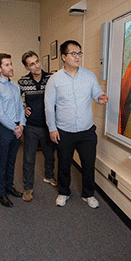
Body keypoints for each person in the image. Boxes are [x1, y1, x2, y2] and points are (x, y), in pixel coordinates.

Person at [44, 40, 109, 208]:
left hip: (86, 131)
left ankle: (88, 194)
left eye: (79, 53)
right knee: (64, 165)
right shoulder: (55, 80)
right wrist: (52, 128)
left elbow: (97, 93)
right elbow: (49, 106)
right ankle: (64, 192)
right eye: (73, 53)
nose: (77, 56)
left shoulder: (89, 76)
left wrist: (100, 97)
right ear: (64, 57)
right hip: (64, 131)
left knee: (88, 164)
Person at [18, 51, 56, 202]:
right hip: (31, 127)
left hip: (48, 125)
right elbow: (15, 99)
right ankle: (28, 188)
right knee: (28, 158)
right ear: (27, 68)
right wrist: (23, 106)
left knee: (50, 155)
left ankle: (49, 176)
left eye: (37, 61)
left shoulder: (51, 78)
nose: (36, 66)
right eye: (32, 64)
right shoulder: (23, 82)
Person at [0, 53, 26, 207]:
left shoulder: (15, 86)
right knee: (2, 162)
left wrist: (22, 126)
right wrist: (15, 128)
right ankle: (1, 193)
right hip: (3, 129)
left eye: (11, 64)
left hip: (17, 128)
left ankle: (9, 186)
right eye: (7, 65)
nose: (11, 67)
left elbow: (21, 107)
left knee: (12, 161)